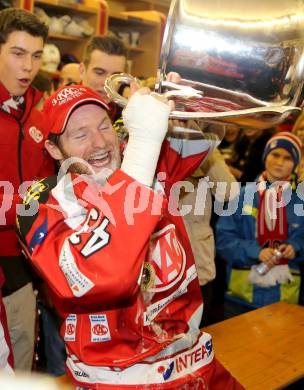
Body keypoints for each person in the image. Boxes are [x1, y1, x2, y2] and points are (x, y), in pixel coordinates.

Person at [17, 84, 243, 389]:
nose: (99, 143)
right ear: (55, 150)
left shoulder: (149, 161)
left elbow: (211, 128)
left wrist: (182, 93)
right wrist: (144, 145)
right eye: (80, 135)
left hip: (195, 362)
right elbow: (104, 274)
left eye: (104, 126)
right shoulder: (42, 208)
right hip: (116, 380)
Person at [0, 8, 54, 370]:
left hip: (25, 259)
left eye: (36, 56)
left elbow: (56, 180)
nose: (28, 67)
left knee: (18, 356)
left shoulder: (44, 110)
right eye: (18, 54)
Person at [216, 132, 304, 318]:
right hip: (241, 299)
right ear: (265, 157)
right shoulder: (241, 195)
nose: (280, 162)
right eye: (275, 154)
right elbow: (224, 241)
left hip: (284, 299)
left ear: (295, 163)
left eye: (288, 158)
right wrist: (256, 252)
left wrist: (295, 248)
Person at [79, 34, 127, 121]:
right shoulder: (59, 111)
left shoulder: (126, 115)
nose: (107, 84)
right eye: (99, 73)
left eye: (115, 76)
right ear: (82, 71)